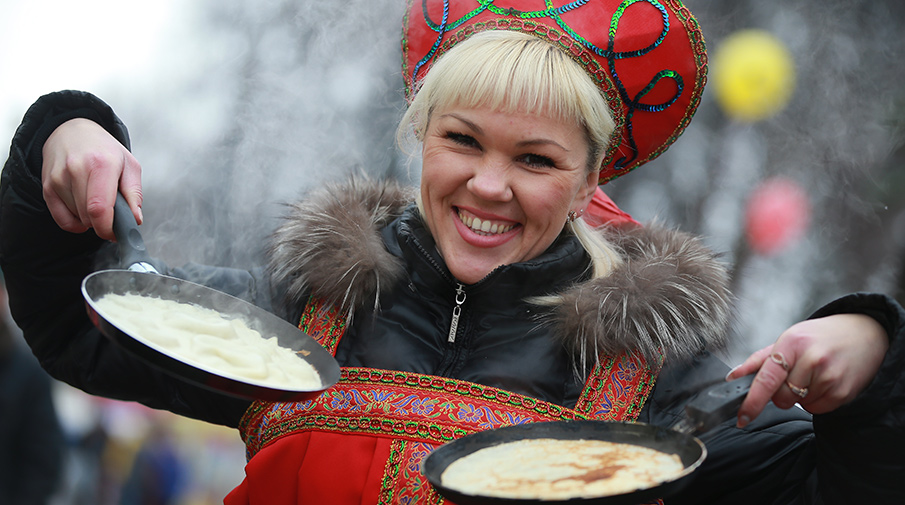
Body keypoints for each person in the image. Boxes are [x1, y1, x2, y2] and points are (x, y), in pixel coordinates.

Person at [0, 1, 902, 504]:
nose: (488, 184)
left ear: (588, 177)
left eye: (535, 160)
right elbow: (78, 328)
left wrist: (871, 355)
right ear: (422, 137)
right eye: (462, 140)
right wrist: (62, 132)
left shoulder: (655, 384)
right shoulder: (299, 316)